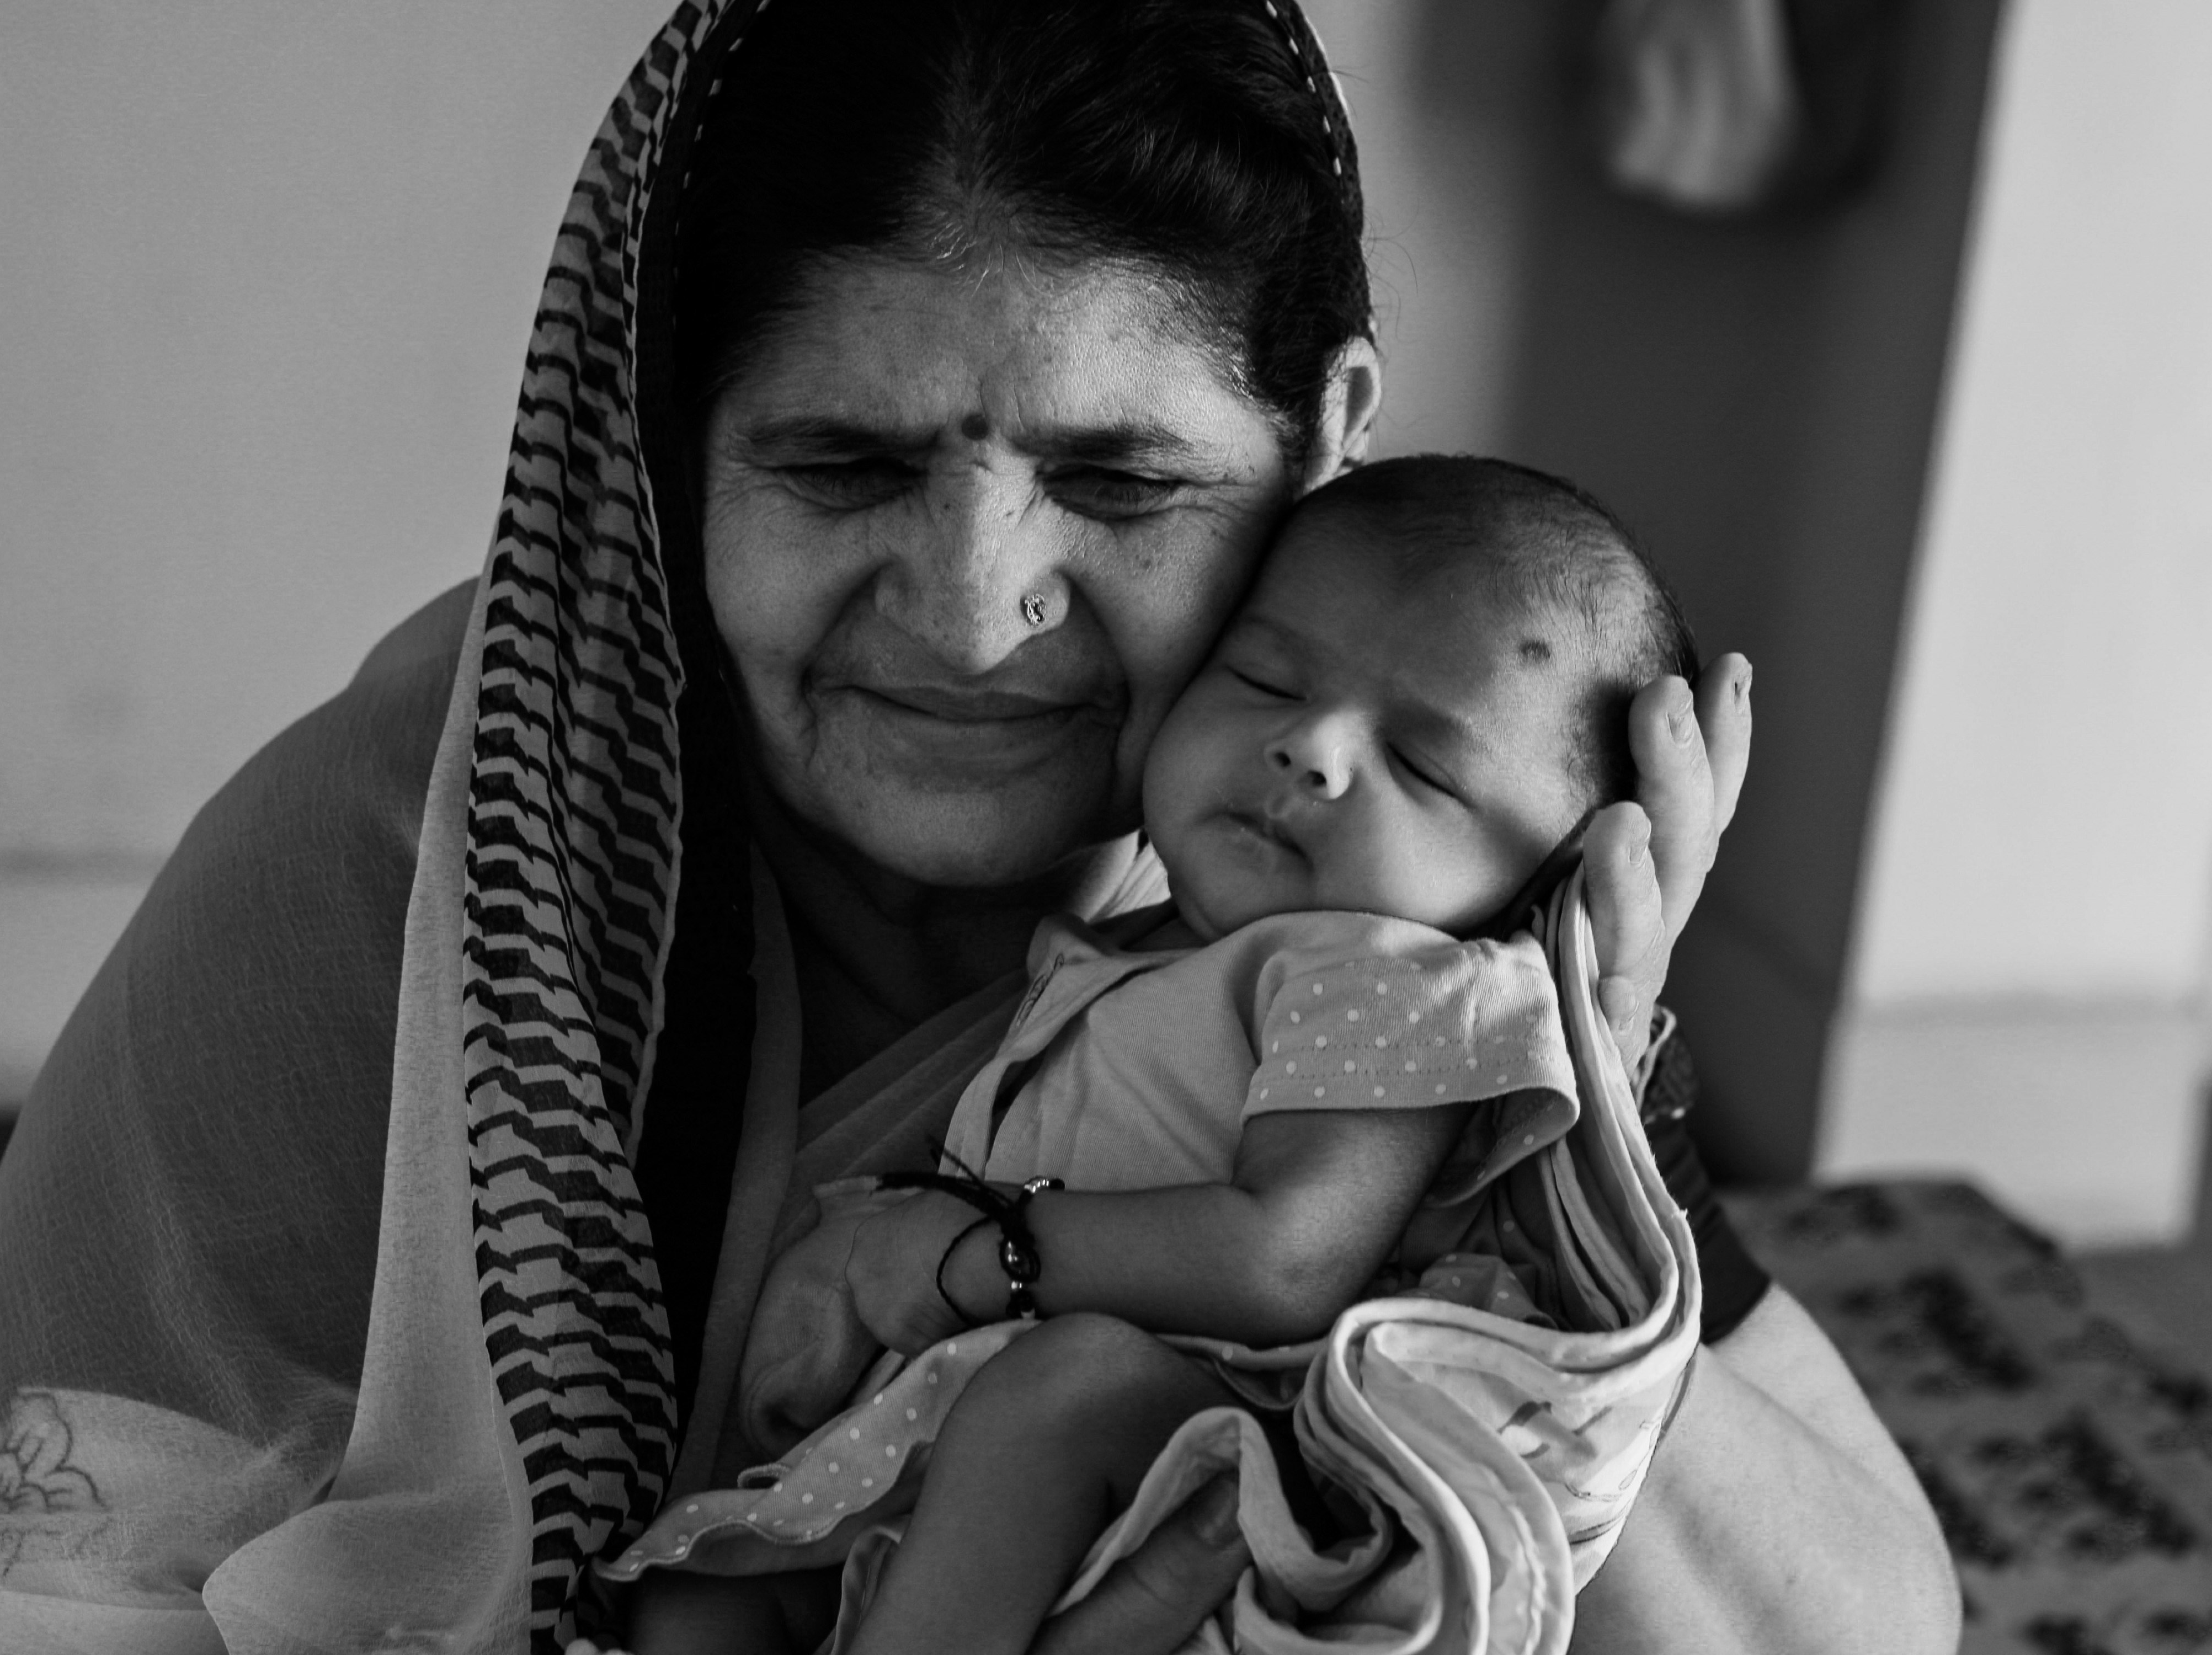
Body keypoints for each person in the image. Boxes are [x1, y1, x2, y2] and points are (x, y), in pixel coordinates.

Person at [0, 0, 1958, 1653]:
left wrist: (1568, 1098)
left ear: (1331, 433)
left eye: (1121, 484)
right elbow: (22, 1608)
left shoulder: (1369, 891)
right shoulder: (403, 877)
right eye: (839, 468)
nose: (974, 613)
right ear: (667, 461)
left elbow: (1858, 1633)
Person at [599, 454, 1709, 1655]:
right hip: (972, 1437)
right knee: (697, 1599)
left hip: (1198, 1438)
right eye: (1264, 677)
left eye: (1427, 768)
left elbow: (1286, 1261)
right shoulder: (1137, 944)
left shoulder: (1398, 980)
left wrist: (967, 1255)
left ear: (1544, 880)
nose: (1315, 750)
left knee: (1061, 1389)